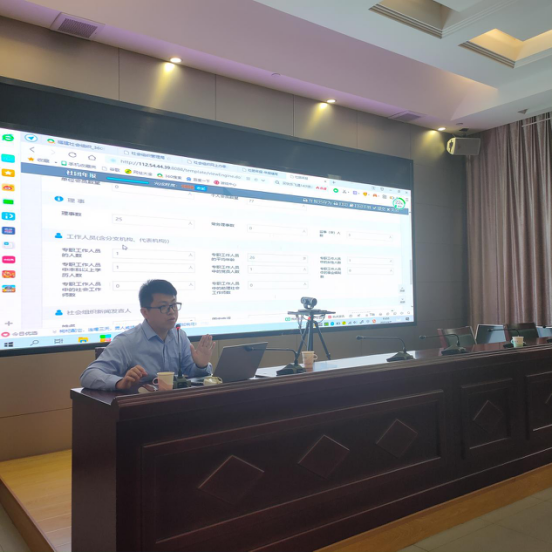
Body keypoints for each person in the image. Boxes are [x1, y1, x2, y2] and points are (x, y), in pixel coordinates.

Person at [80, 279, 214, 390]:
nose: (171, 311)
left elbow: (191, 374)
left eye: (174, 305)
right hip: (141, 407)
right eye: (163, 306)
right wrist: (120, 382)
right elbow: (89, 375)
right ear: (145, 312)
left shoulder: (180, 336)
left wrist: (201, 365)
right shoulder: (127, 341)